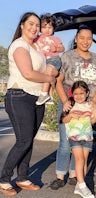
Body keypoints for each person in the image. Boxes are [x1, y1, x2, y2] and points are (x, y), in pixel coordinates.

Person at [0, 12, 57, 196]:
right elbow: (28, 73)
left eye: (37, 25)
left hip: (35, 97)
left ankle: (22, 177)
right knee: (23, 140)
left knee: (28, 140)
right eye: (30, 24)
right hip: (19, 96)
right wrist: (49, 77)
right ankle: (4, 178)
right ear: (22, 25)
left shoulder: (37, 47)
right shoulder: (19, 45)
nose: (34, 28)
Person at [49, 24, 96, 190]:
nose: (85, 41)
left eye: (89, 38)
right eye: (82, 38)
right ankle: (60, 175)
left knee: (81, 140)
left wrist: (94, 102)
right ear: (76, 39)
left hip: (88, 107)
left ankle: (75, 174)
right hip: (70, 104)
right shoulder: (67, 57)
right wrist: (65, 101)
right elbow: (58, 81)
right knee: (65, 142)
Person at [60, 80, 96, 198]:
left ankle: (79, 184)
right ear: (72, 94)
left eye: (81, 93)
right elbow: (63, 120)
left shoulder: (90, 105)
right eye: (76, 94)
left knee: (85, 160)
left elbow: (92, 121)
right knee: (79, 159)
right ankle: (82, 185)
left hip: (87, 137)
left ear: (87, 93)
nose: (78, 96)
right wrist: (71, 115)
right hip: (74, 137)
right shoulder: (70, 105)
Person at [35, 13, 65, 105]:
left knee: (48, 71)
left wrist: (56, 49)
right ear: (40, 28)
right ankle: (50, 97)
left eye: (50, 27)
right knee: (46, 77)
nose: (47, 30)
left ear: (53, 28)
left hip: (54, 59)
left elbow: (62, 48)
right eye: (44, 27)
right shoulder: (37, 38)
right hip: (44, 61)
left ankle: (44, 94)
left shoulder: (55, 39)